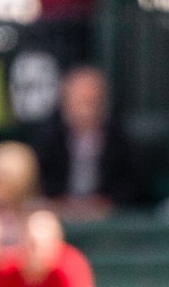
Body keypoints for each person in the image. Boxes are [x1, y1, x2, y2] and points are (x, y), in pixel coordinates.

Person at [35, 66, 145, 217]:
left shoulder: (120, 141)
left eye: (91, 102)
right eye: (79, 102)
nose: (85, 110)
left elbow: (130, 186)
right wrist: (61, 203)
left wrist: (103, 203)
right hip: (59, 215)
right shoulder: (49, 140)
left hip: (107, 219)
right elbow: (42, 182)